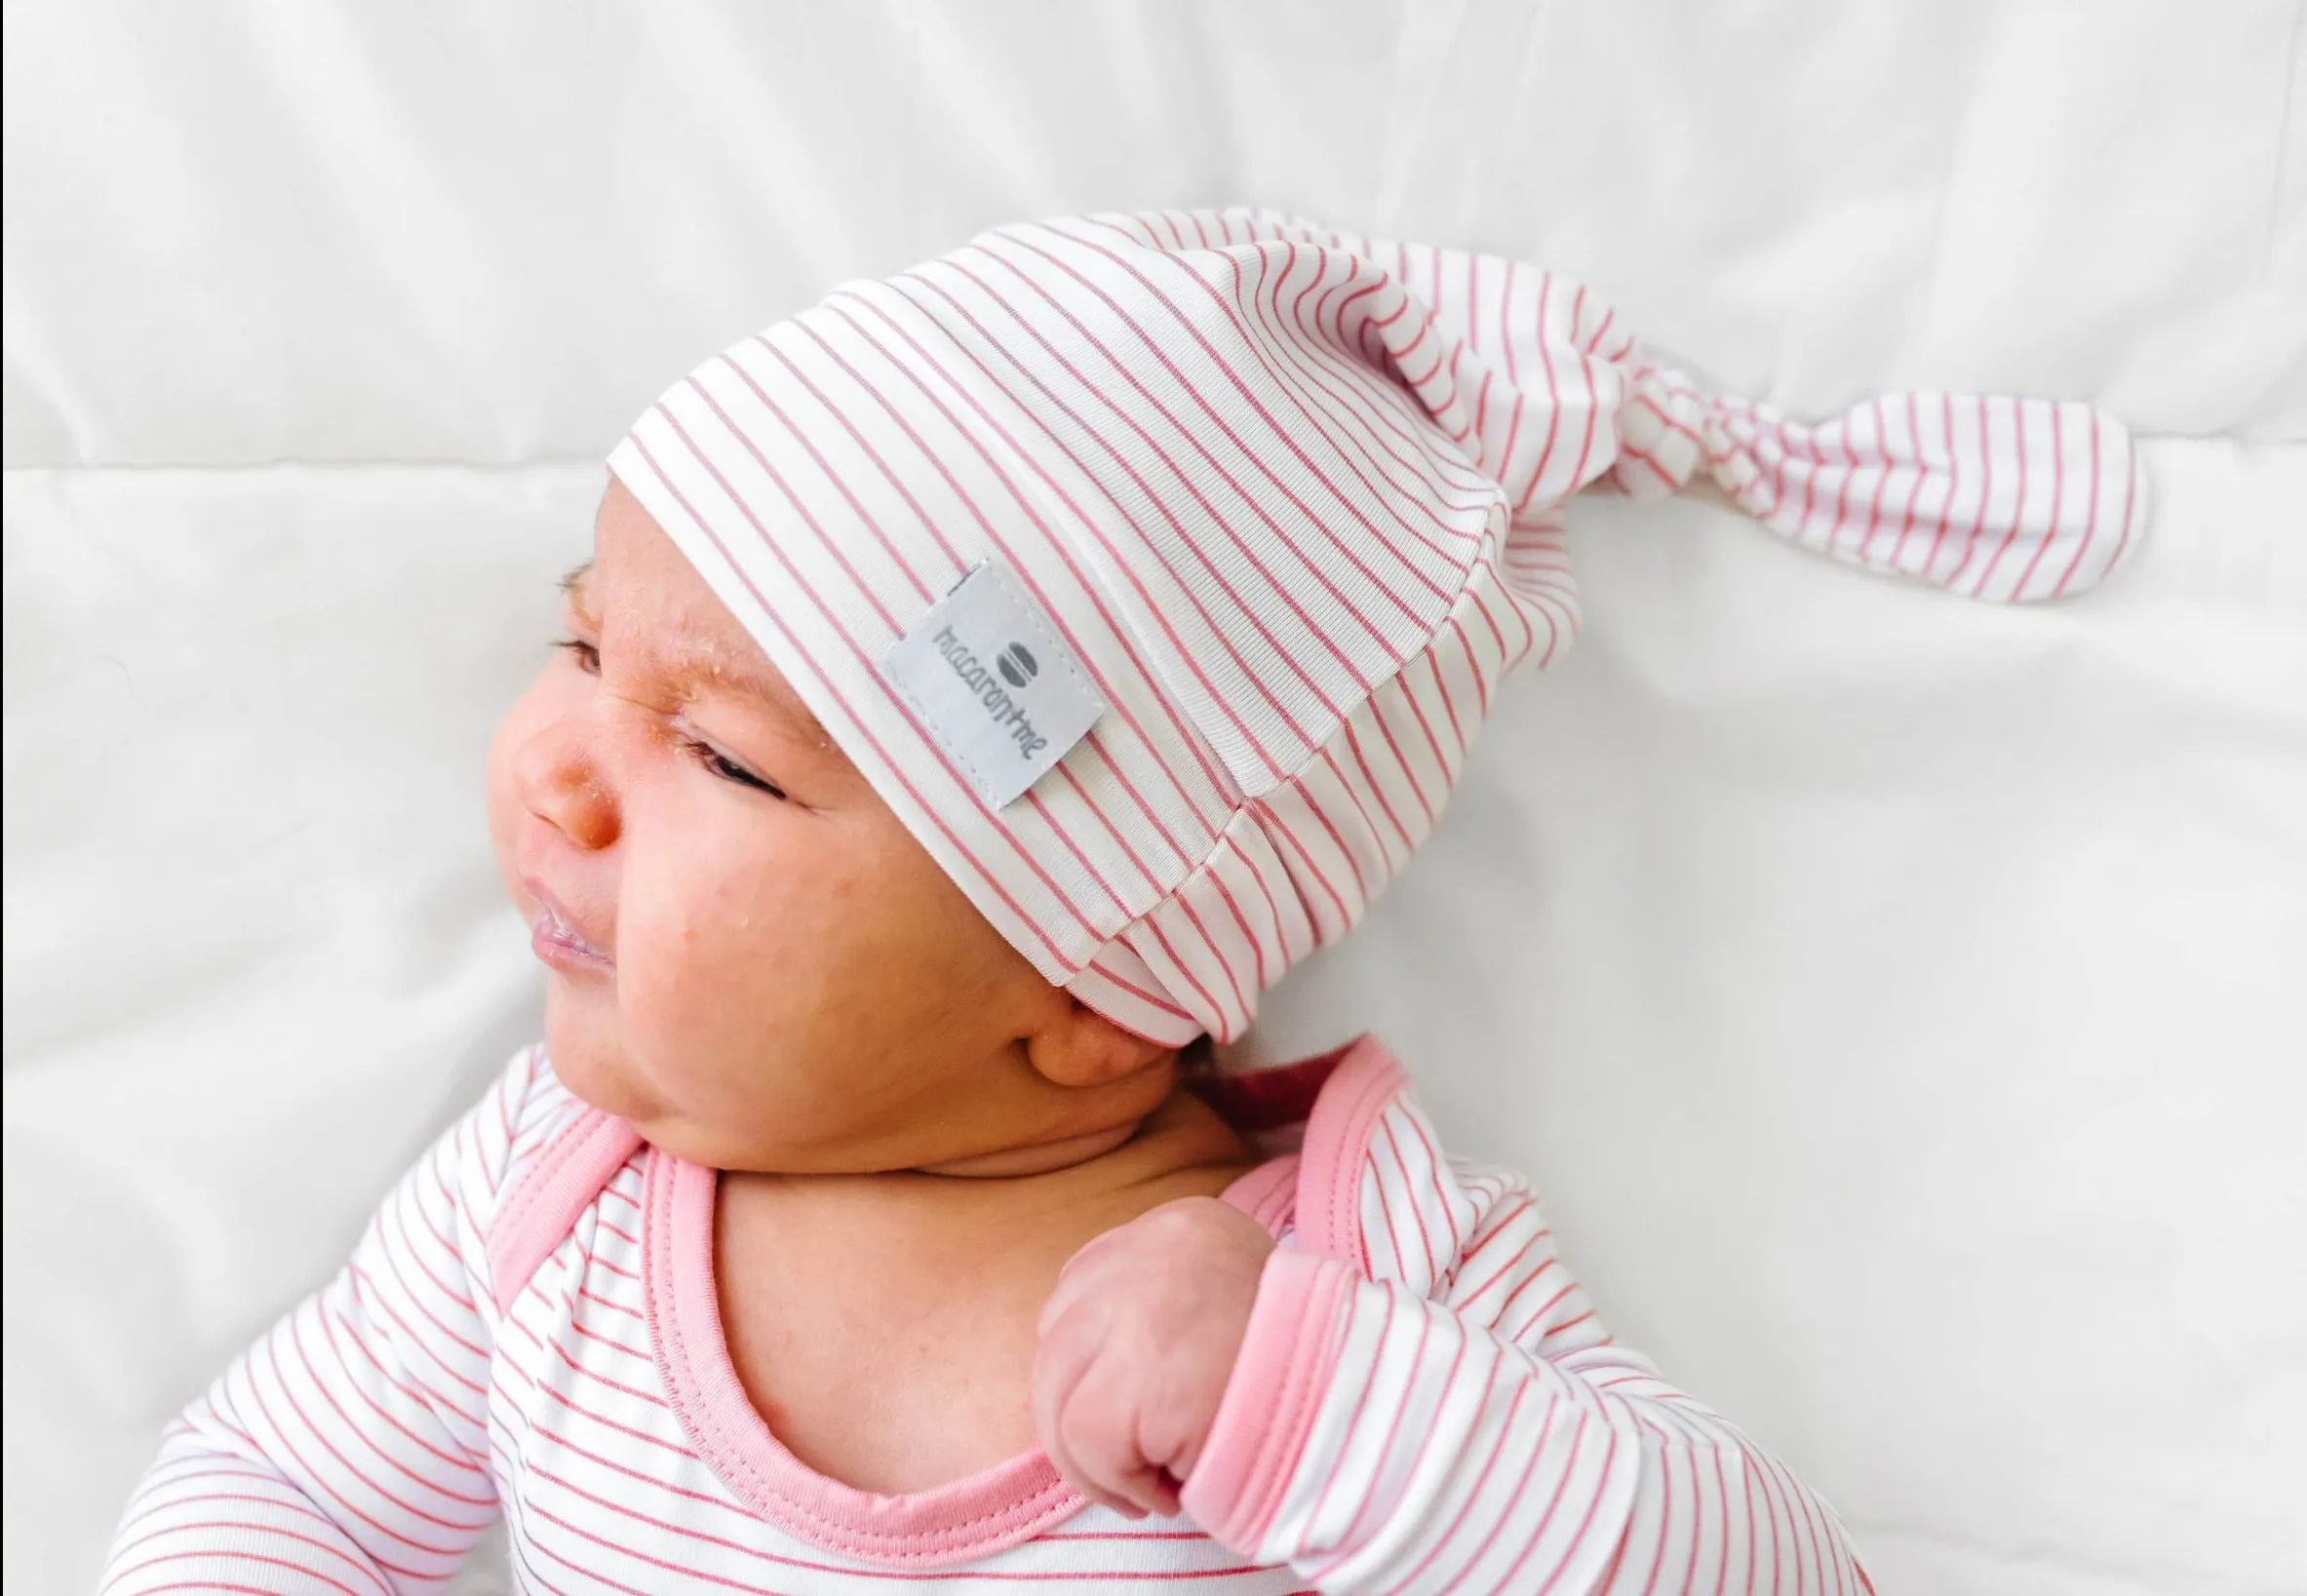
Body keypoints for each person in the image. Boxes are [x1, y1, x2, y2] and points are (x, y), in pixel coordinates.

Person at [98, 208, 2140, 1593]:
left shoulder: (1344, 1268)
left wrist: (1322, 1399)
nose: (554, 766)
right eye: (577, 645)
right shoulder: (558, 1187)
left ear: (1085, 980)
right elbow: (278, 1482)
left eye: (717, 751)